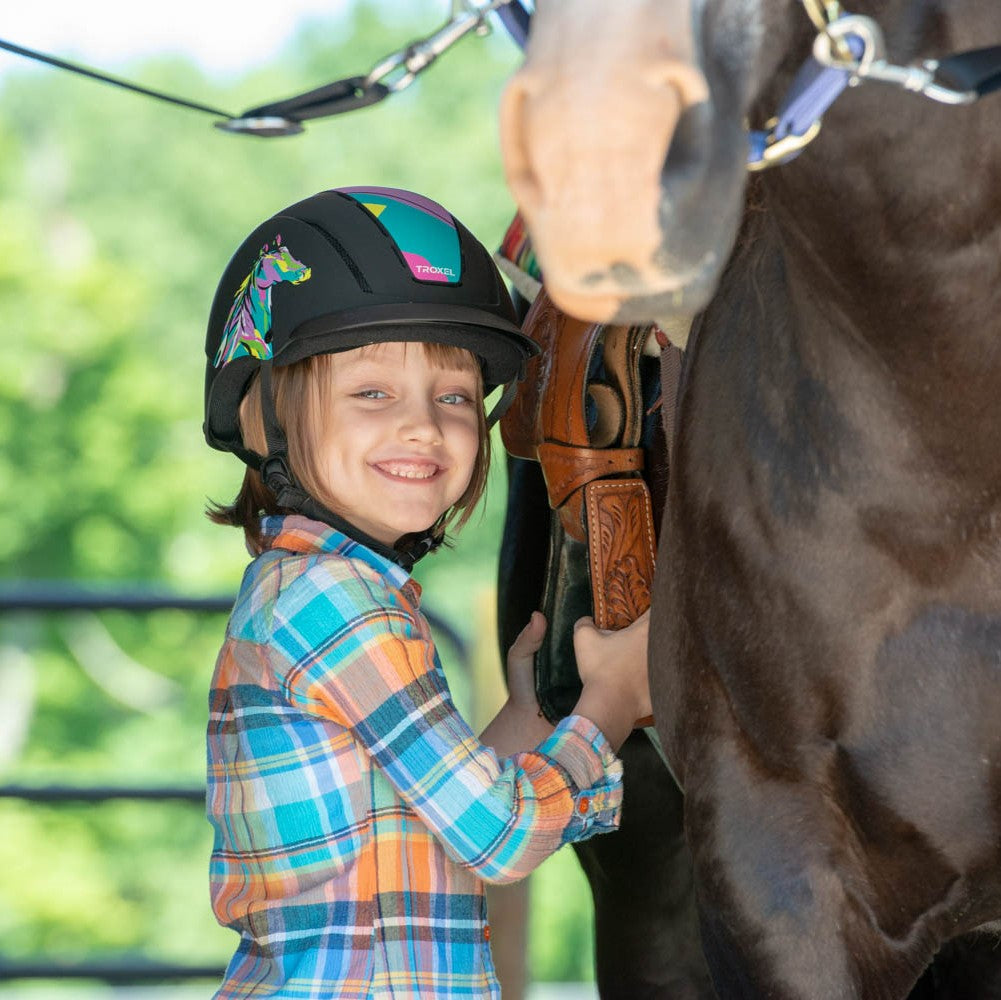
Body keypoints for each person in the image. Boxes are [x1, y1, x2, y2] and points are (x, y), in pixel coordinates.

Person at [202, 186, 652, 999]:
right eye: (372, 393)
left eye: (452, 397)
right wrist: (614, 701)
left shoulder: (310, 590)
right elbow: (498, 839)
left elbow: (427, 823)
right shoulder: (336, 604)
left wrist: (528, 720)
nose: (423, 426)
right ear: (266, 419)